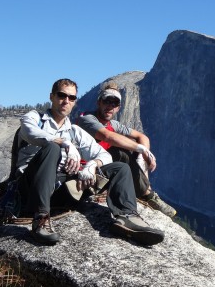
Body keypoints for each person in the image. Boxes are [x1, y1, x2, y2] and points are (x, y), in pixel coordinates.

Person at [15, 78, 164, 246]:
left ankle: (127, 216)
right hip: (30, 189)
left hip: (59, 191)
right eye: (61, 95)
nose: (66, 101)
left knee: (120, 167)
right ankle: (40, 219)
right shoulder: (35, 118)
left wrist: (93, 165)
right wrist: (64, 143)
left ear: (74, 102)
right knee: (52, 148)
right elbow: (29, 133)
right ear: (52, 97)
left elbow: (103, 154)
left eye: (71, 98)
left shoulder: (74, 131)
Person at [76, 83, 176, 218]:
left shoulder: (113, 124)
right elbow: (107, 136)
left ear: (118, 108)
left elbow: (142, 136)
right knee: (121, 151)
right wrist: (140, 148)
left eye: (115, 103)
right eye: (107, 101)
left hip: (102, 169)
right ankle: (147, 195)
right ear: (99, 102)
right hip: (86, 170)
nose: (110, 106)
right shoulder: (87, 119)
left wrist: (142, 155)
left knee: (133, 150)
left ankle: (145, 191)